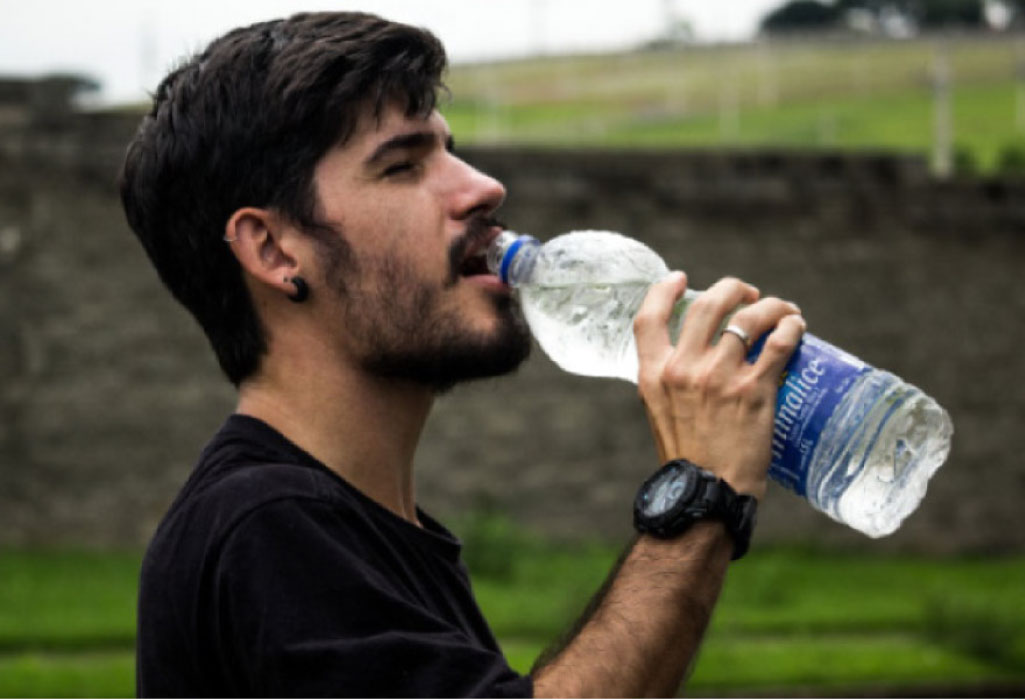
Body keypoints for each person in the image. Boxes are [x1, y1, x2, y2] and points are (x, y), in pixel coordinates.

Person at [119, 11, 805, 698]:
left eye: (451, 151)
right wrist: (699, 496)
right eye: (401, 166)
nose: (483, 187)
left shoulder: (359, 527)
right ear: (273, 250)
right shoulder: (265, 526)